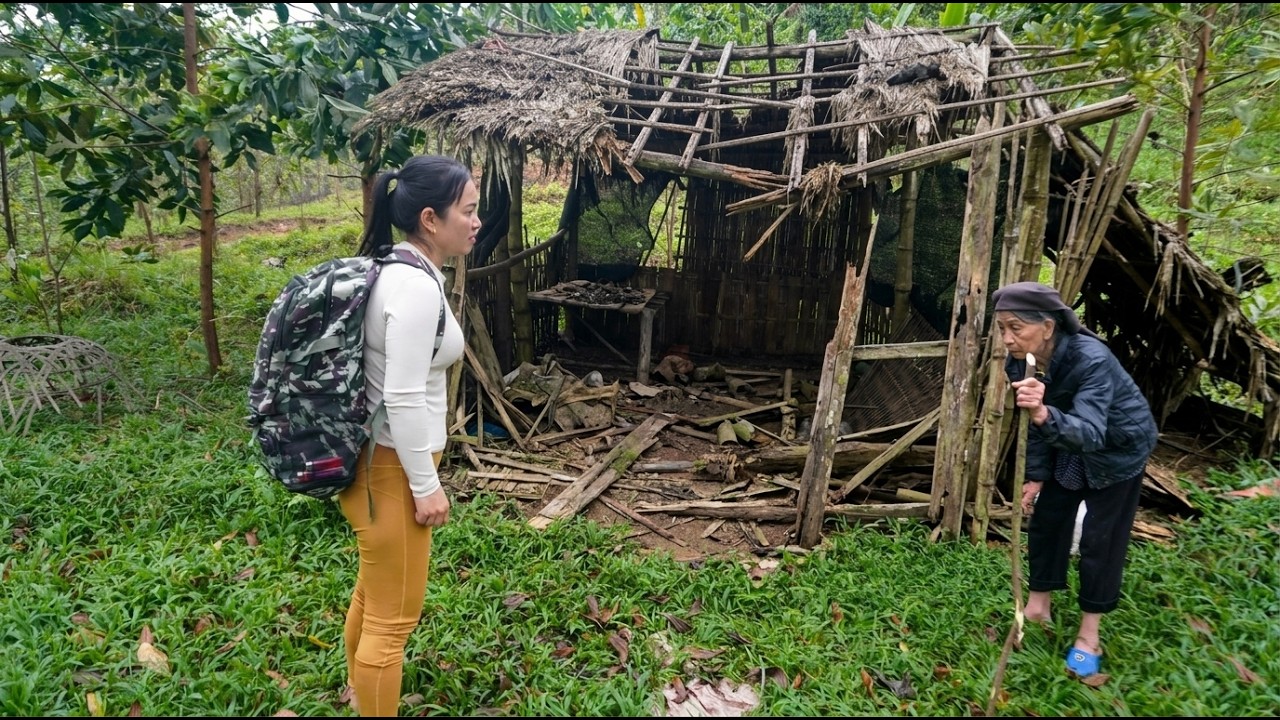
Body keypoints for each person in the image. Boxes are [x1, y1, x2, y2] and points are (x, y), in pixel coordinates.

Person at [339, 154, 479, 716]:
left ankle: (359, 695)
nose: (477, 222)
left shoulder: (392, 269)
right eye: (467, 211)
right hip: (393, 468)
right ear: (430, 219)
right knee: (392, 621)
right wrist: (426, 486)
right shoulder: (416, 289)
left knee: (373, 595)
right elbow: (400, 396)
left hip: (376, 462)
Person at [991, 281, 1158, 679]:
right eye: (1001, 329)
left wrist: (1044, 413)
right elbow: (1033, 424)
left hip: (1117, 448)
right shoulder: (1020, 361)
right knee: (1049, 520)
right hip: (1066, 440)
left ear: (1048, 327)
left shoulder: (1092, 359)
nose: (1007, 339)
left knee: (1101, 539)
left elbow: (1093, 432)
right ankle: (1038, 605)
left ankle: (1088, 636)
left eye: (1016, 328)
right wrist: (1036, 475)